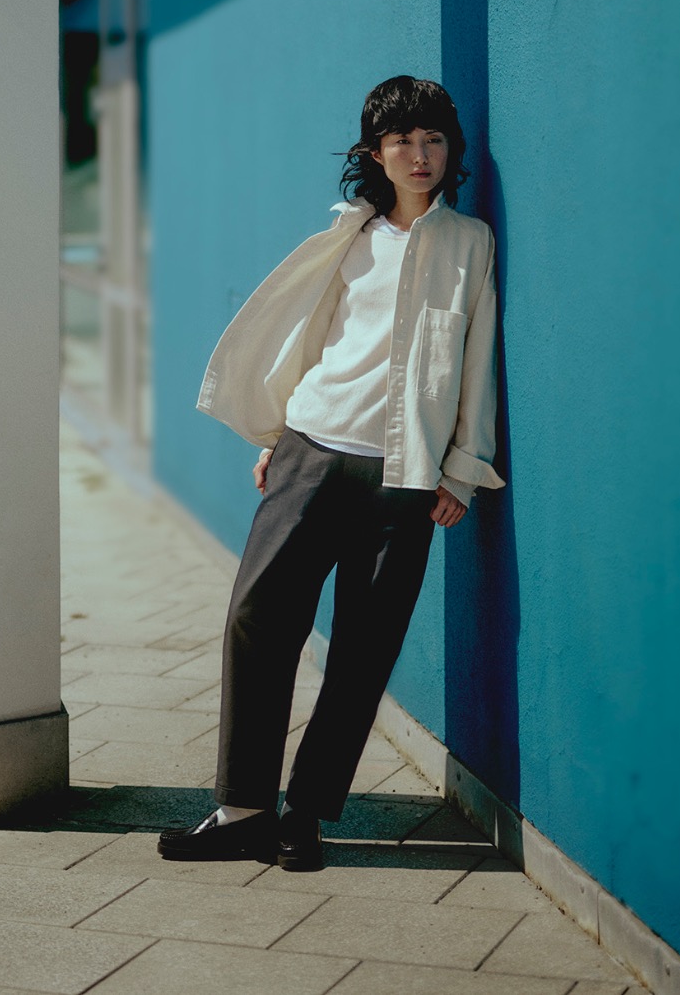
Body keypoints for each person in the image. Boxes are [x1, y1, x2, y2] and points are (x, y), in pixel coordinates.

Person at [156, 75, 504, 871]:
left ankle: (304, 815)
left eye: (434, 140)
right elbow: (312, 341)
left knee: (363, 649)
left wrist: (461, 469)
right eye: (402, 142)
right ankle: (241, 808)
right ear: (375, 154)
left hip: (405, 476)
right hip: (312, 449)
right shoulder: (349, 237)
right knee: (257, 617)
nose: (420, 156)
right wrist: (276, 437)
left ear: (450, 150)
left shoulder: (470, 244)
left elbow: (477, 362)